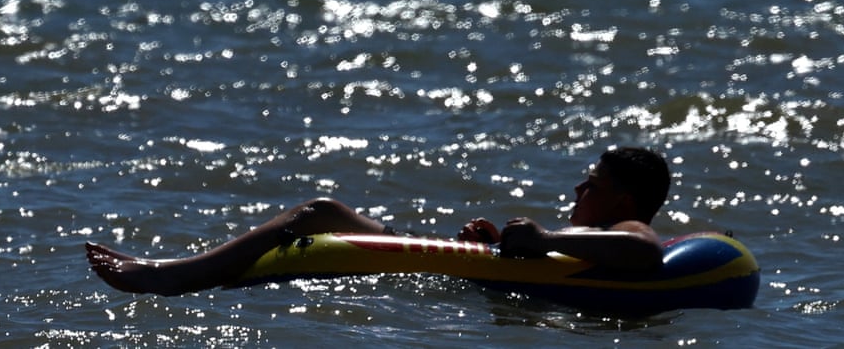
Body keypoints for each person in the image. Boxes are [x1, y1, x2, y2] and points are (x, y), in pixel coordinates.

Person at [85, 145, 671, 295]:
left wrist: (540, 239)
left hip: (471, 290)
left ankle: (170, 275)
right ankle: (173, 272)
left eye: (591, 184)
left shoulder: (627, 230)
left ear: (623, 200)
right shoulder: (600, 228)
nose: (577, 188)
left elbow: (645, 252)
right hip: (472, 277)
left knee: (319, 212)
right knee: (328, 210)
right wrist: (496, 245)